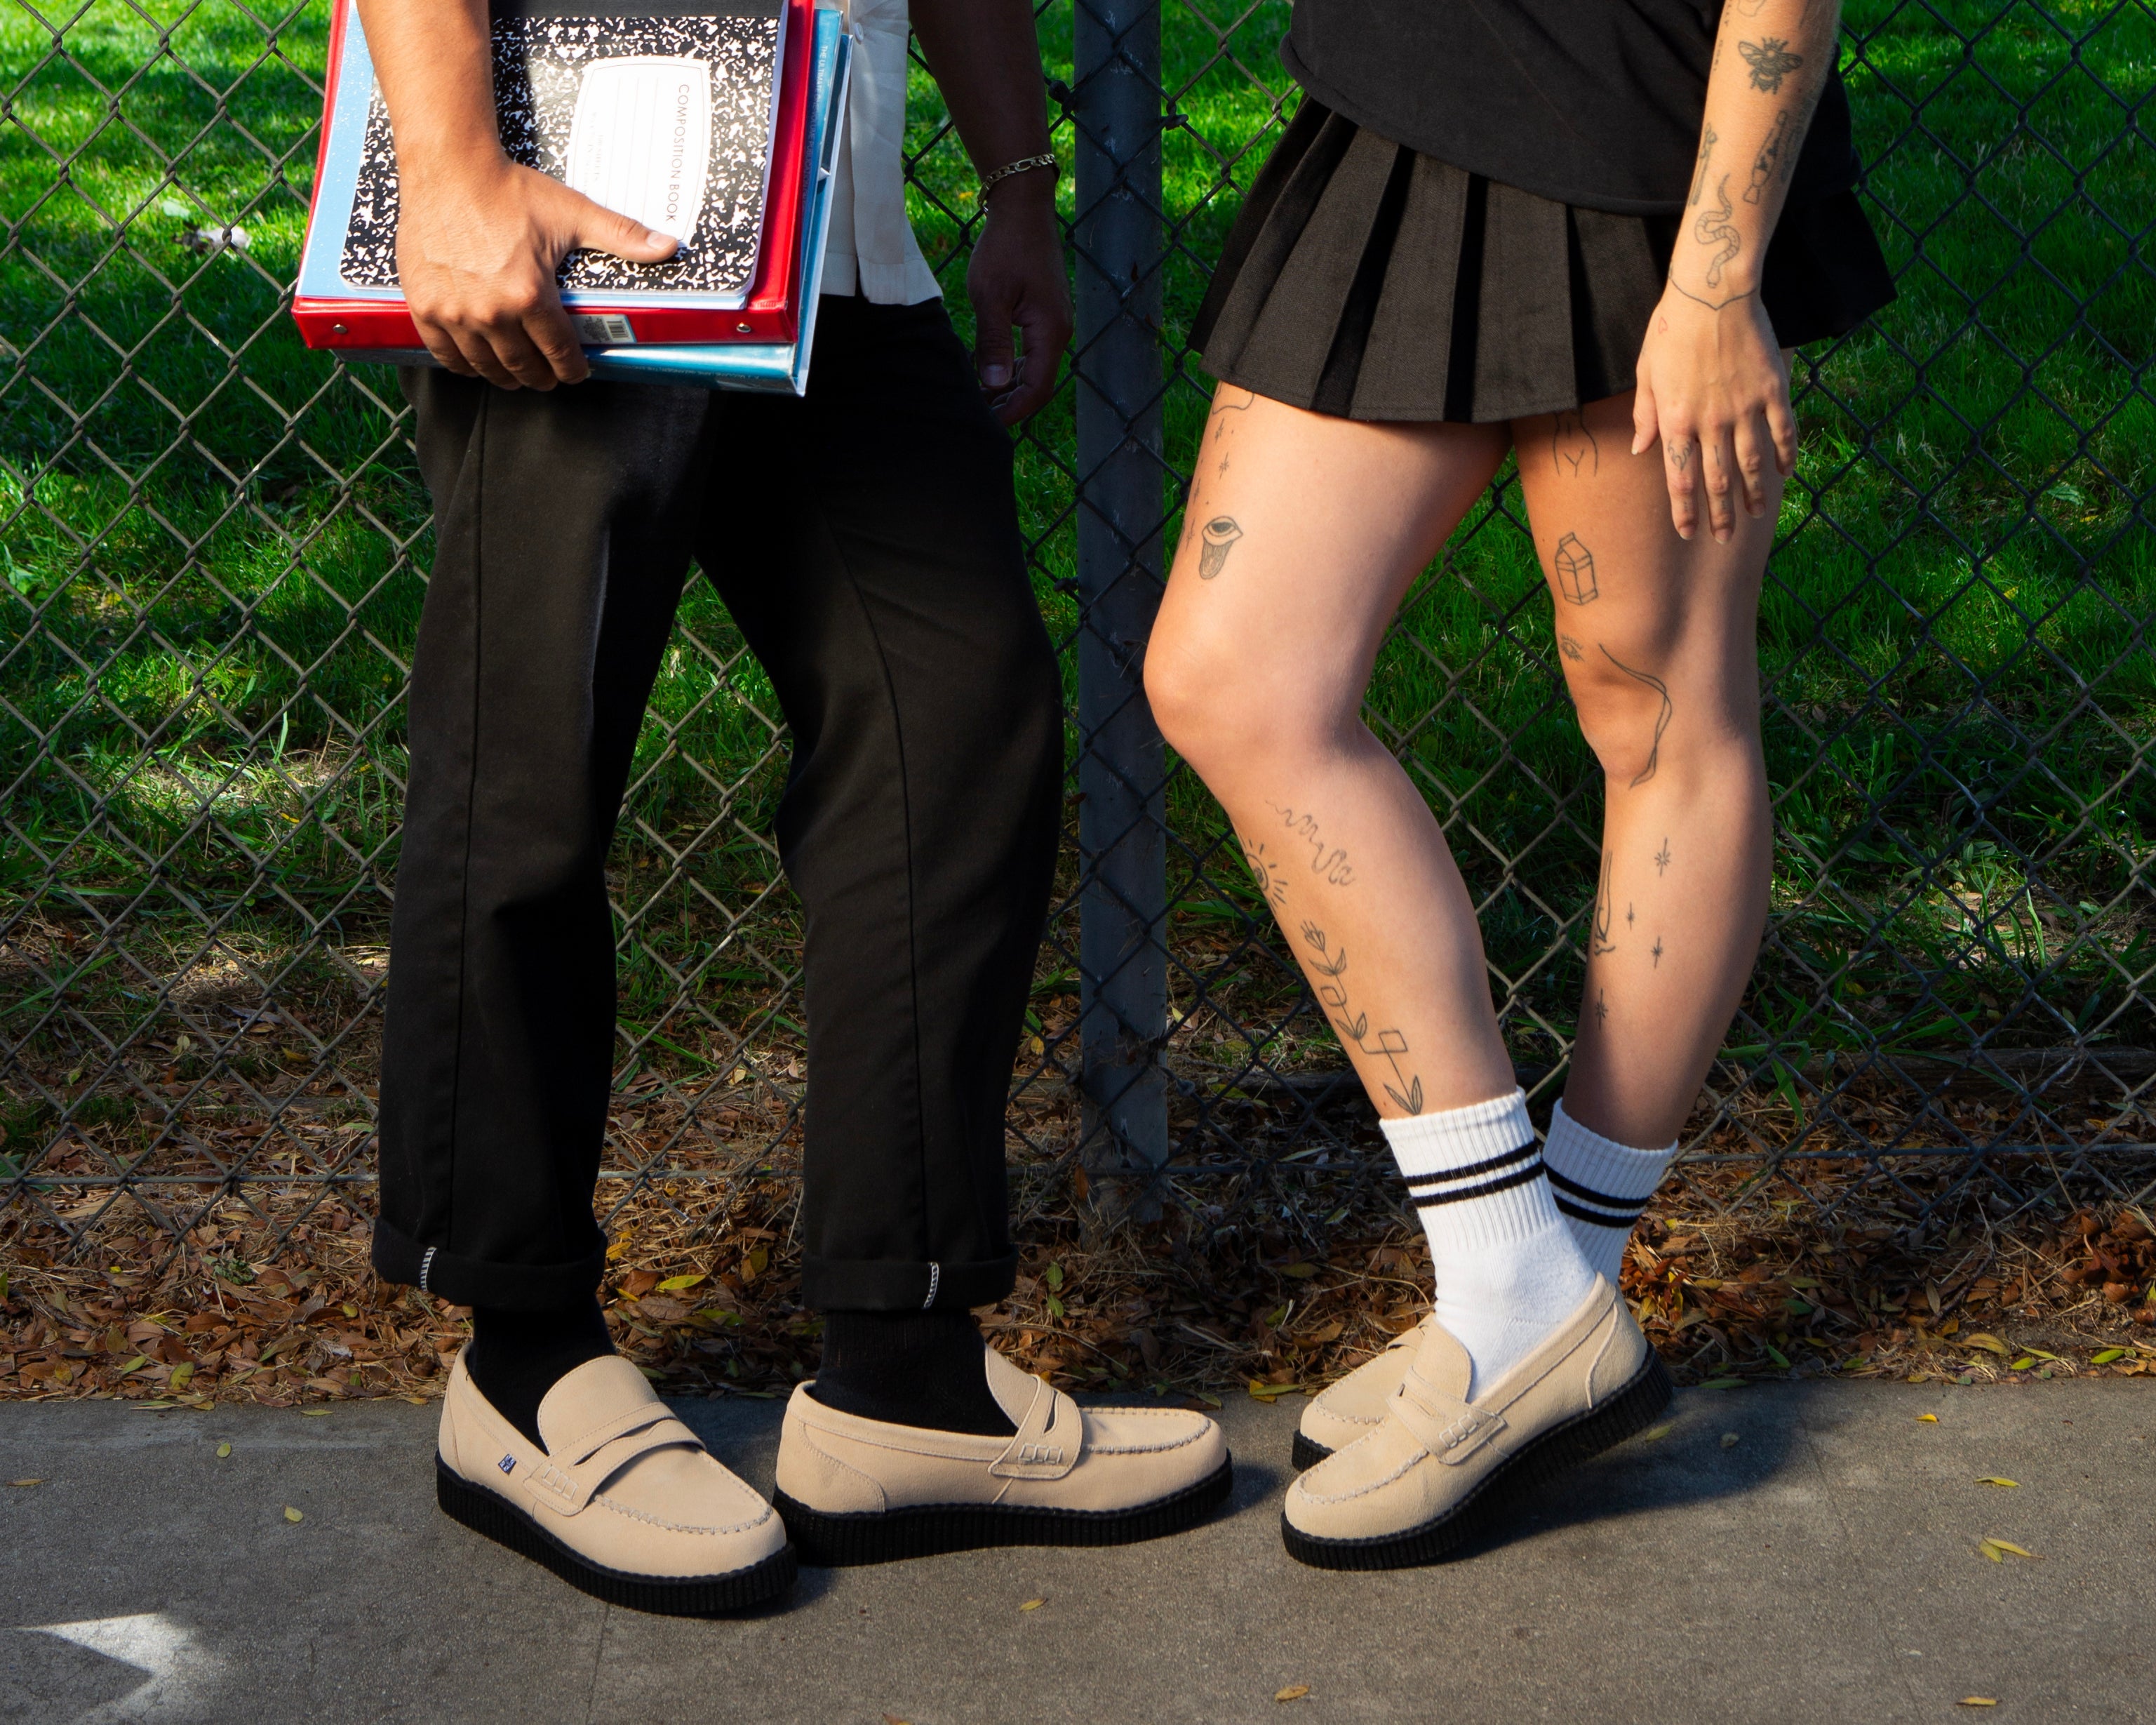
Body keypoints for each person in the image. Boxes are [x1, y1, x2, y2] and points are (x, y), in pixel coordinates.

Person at [360, 0, 1228, 1613]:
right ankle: (521, 1352)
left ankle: (902, 1370)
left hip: (834, 236)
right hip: (586, 209)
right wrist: (452, 165)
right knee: (529, 771)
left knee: (954, 720)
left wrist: (1016, 180)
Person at [1144, 0, 1892, 1567]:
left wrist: (1712, 275)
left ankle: (1536, 1295)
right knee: (1231, 676)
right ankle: (1520, 1274)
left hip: (1644, 155)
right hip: (1407, 101)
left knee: (1655, 707)